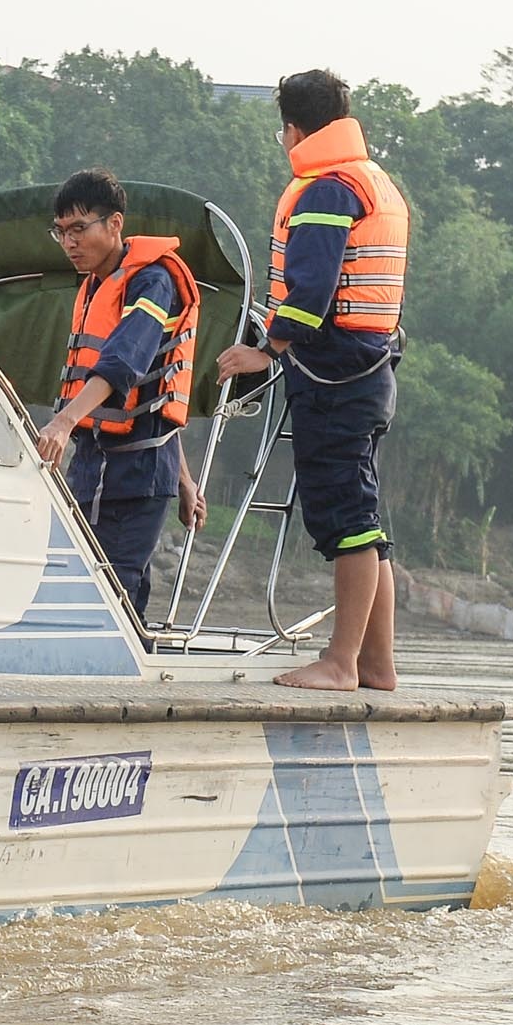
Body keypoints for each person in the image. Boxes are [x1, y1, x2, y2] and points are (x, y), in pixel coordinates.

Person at [216, 69, 410, 692]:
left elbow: (312, 291)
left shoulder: (326, 189)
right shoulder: (373, 179)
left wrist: (266, 351)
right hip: (369, 369)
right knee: (365, 517)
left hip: (334, 375)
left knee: (347, 518)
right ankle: (377, 663)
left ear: (293, 130)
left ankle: (342, 663)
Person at [30, 168, 207, 622]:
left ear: (114, 224)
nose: (69, 242)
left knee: (114, 588)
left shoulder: (152, 282)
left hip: (138, 473)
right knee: (77, 582)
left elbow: (126, 362)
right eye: (61, 231)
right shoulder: (93, 286)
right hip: (94, 465)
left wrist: (63, 420)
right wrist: (187, 481)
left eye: (78, 229)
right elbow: (155, 395)